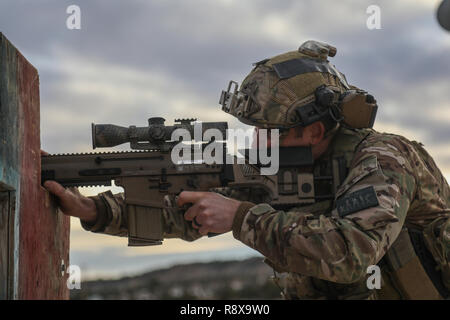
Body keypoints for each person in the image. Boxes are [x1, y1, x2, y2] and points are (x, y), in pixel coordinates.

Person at [43, 40, 450, 300]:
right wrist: (97, 212)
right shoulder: (280, 168)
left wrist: (238, 217)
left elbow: (350, 253)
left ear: (313, 130)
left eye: (269, 131)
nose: (256, 142)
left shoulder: (386, 158)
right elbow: (186, 213)